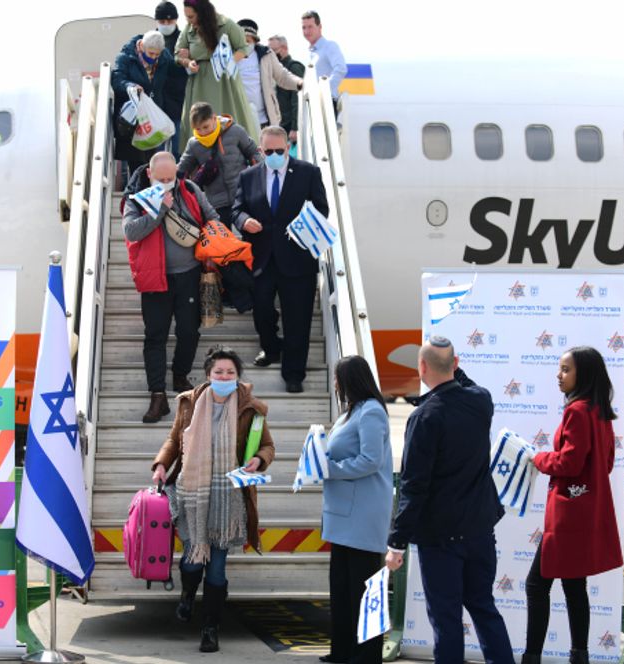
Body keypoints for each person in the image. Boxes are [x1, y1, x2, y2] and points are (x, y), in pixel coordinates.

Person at [385, 337, 514, 664]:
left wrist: (397, 543)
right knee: (484, 608)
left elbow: (414, 486)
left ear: (422, 367)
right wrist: (451, 363)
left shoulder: (425, 417)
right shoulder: (481, 401)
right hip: (479, 531)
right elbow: (465, 382)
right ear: (455, 365)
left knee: (446, 620)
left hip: (440, 538)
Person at [151, 347, 275, 653]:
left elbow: (268, 446)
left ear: (237, 377)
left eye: (230, 373)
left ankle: (210, 628)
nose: (224, 377)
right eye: (218, 372)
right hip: (191, 493)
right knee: (193, 562)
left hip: (228, 497)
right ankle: (187, 595)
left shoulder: (252, 408)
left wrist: (259, 460)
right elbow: (174, 440)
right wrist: (160, 464)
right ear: (208, 375)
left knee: (217, 569)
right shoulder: (188, 402)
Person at [523, 347, 623, 664]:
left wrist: (537, 458)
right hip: (586, 510)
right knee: (574, 586)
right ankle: (580, 656)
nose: (559, 374)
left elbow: (568, 462)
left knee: (536, 586)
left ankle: (532, 657)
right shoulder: (600, 411)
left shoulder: (577, 411)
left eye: (565, 369)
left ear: (584, 374)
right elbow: (605, 463)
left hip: (567, 515)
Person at [121, 151, 220, 423]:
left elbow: (212, 217)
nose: (167, 183)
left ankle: (180, 374)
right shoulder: (136, 199)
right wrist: (161, 208)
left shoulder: (189, 189)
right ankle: (157, 395)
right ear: (150, 175)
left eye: (171, 177)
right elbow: (131, 232)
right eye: (161, 179)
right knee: (155, 336)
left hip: (188, 274)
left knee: (189, 330)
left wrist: (216, 237)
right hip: (154, 278)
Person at [232, 125, 329, 393]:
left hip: (297, 257)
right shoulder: (248, 176)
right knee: (262, 310)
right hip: (262, 257)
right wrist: (244, 221)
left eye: (279, 150)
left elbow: (322, 209)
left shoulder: (308, 172)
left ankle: (294, 373)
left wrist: (302, 225)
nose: (274, 155)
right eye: (268, 151)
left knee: (298, 317)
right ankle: (271, 348)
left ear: (288, 148)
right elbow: (236, 209)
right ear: (261, 150)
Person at [321, 355, 393, 664]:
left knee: (364, 594)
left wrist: (330, 469)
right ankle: (343, 651)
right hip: (343, 516)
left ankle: (366, 656)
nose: (335, 384)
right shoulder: (350, 412)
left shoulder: (372, 412)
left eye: (338, 378)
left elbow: (370, 460)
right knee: (341, 589)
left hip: (362, 516)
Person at [174, 0, 259, 151]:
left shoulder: (227, 25)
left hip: (225, 82)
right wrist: (187, 62)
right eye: (186, 17)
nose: (188, 21)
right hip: (199, 82)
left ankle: (236, 150)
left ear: (203, 13)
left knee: (229, 118)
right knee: (198, 121)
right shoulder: (188, 30)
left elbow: (243, 48)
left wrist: (230, 61)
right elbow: (177, 54)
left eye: (191, 16)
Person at [177, 101, 261, 228]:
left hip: (242, 196)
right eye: (198, 129)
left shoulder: (236, 131)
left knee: (249, 237)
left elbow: (253, 152)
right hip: (216, 203)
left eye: (205, 127)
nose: (203, 132)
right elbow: (181, 170)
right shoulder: (193, 144)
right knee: (224, 243)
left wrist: (258, 180)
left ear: (214, 118)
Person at [112, 30, 176, 174]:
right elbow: (117, 80)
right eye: (151, 53)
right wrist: (130, 86)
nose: (153, 57)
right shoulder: (125, 58)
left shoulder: (164, 57)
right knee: (136, 165)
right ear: (141, 46)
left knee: (153, 163)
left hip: (153, 118)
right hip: (132, 120)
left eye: (157, 54)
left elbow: (174, 75)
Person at [235, 19, 303, 131]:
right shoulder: (227, 56)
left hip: (264, 120)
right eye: (241, 40)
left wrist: (299, 83)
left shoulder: (265, 54)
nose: (245, 43)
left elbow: (282, 76)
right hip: (238, 119)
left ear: (254, 40)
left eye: (248, 40)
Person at [155, 1, 189, 152]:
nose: (166, 24)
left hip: (179, 102)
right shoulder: (150, 41)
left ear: (176, 20)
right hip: (157, 103)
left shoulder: (185, 41)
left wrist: (185, 60)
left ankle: (179, 176)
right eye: (162, 21)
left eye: (170, 21)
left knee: (178, 149)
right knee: (158, 151)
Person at [301, 10, 347, 110]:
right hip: (313, 104)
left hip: (326, 103)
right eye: (304, 27)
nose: (306, 31)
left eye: (310, 27)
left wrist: (324, 92)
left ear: (320, 27)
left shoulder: (329, 46)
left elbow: (341, 69)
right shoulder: (309, 53)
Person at [267, 35, 307, 145]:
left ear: (284, 48)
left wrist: (295, 127)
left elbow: (296, 99)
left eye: (273, 51)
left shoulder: (294, 67)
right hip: (279, 124)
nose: (271, 55)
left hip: (290, 127)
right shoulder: (273, 69)